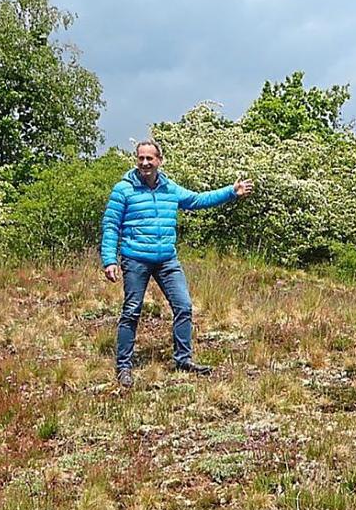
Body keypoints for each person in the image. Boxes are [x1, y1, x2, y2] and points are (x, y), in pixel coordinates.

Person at [101, 139, 254, 388]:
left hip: (166, 259)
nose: (145, 163)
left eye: (150, 158)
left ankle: (183, 361)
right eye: (141, 158)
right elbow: (110, 225)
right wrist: (109, 260)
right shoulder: (123, 189)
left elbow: (197, 200)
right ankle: (124, 367)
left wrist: (231, 192)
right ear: (136, 160)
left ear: (159, 160)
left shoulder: (169, 188)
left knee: (183, 306)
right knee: (131, 311)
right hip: (135, 259)